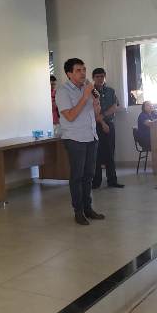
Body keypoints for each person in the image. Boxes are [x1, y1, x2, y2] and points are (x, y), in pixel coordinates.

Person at [55, 58, 106, 225]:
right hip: (75, 138)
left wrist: (96, 102)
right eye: (78, 70)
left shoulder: (87, 88)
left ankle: (88, 208)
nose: (83, 73)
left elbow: (95, 114)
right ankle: (78, 211)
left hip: (91, 137)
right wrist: (85, 97)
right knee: (77, 176)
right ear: (69, 74)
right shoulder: (63, 91)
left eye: (84, 69)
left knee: (89, 175)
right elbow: (70, 116)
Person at [91, 68, 124, 189]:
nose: (100, 79)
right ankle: (96, 181)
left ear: (104, 77)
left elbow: (115, 106)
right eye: (97, 76)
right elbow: (90, 110)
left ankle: (112, 180)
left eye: (102, 76)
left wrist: (103, 117)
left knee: (110, 153)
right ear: (93, 78)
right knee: (96, 154)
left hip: (109, 124)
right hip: (94, 125)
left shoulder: (110, 91)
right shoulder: (90, 91)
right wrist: (101, 122)